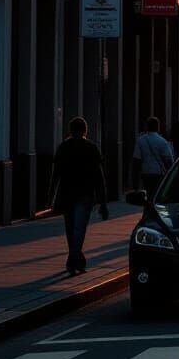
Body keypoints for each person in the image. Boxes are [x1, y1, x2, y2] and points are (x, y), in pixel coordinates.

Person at [48, 116, 108, 275]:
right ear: (85, 130)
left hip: (67, 193)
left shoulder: (63, 147)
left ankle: (74, 258)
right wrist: (103, 202)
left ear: (70, 129)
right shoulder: (91, 147)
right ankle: (75, 259)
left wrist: (51, 195)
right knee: (80, 228)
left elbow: (56, 174)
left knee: (70, 227)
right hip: (85, 194)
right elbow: (99, 176)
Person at [132, 116, 174, 200]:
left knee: (149, 195)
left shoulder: (141, 140)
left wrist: (135, 184)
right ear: (158, 127)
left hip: (146, 173)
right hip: (159, 174)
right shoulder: (162, 141)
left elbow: (136, 161)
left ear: (147, 127)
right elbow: (169, 161)